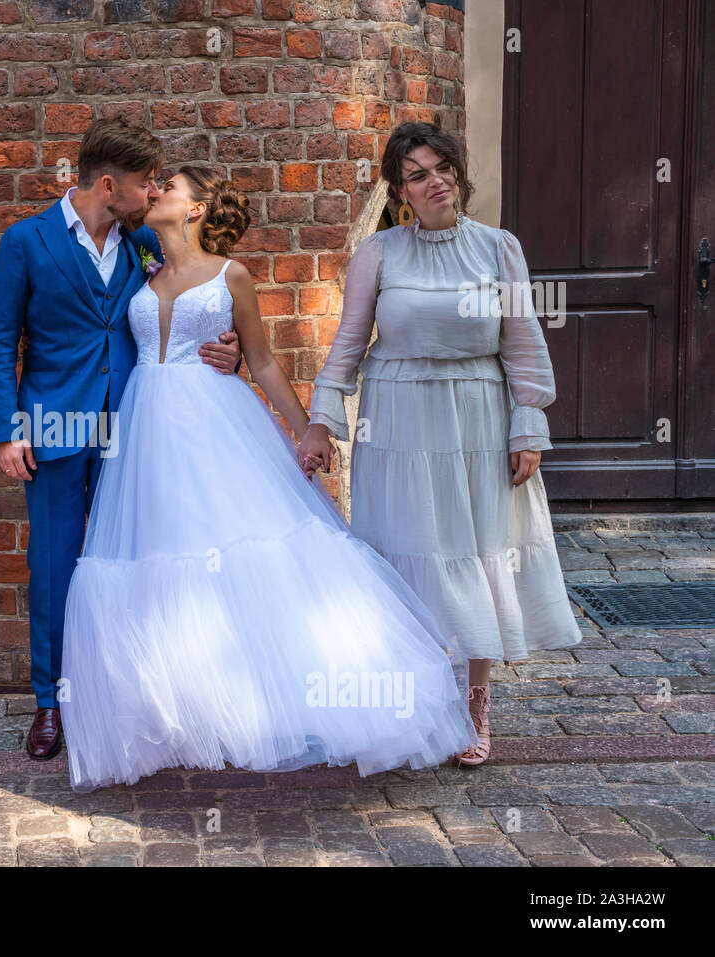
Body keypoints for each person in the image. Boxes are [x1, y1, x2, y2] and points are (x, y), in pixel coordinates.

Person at [58, 166, 478, 792]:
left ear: (197, 209)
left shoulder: (231, 276)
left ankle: (272, 705)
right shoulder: (139, 266)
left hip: (216, 421)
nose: (154, 195)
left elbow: (262, 362)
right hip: (145, 427)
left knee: (244, 555)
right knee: (158, 556)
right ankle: (179, 710)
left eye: (167, 189)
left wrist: (309, 429)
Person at [298, 121, 582, 766]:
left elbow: (523, 342)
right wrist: (322, 419)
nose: (436, 181)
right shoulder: (379, 254)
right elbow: (348, 344)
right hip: (396, 418)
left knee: (475, 551)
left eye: (443, 167)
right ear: (400, 191)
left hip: (478, 413)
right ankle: (409, 705)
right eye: (418, 174)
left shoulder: (498, 248)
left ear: (459, 172)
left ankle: (475, 702)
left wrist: (528, 424)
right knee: (403, 552)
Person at [0, 119, 242, 761]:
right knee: (56, 568)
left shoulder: (142, 248)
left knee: (137, 561)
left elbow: (187, 297)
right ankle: (51, 704)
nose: (152, 192)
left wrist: (228, 349)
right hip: (54, 430)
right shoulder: (26, 241)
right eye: (144, 183)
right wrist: (7, 431)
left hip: (134, 427)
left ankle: (132, 695)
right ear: (107, 184)